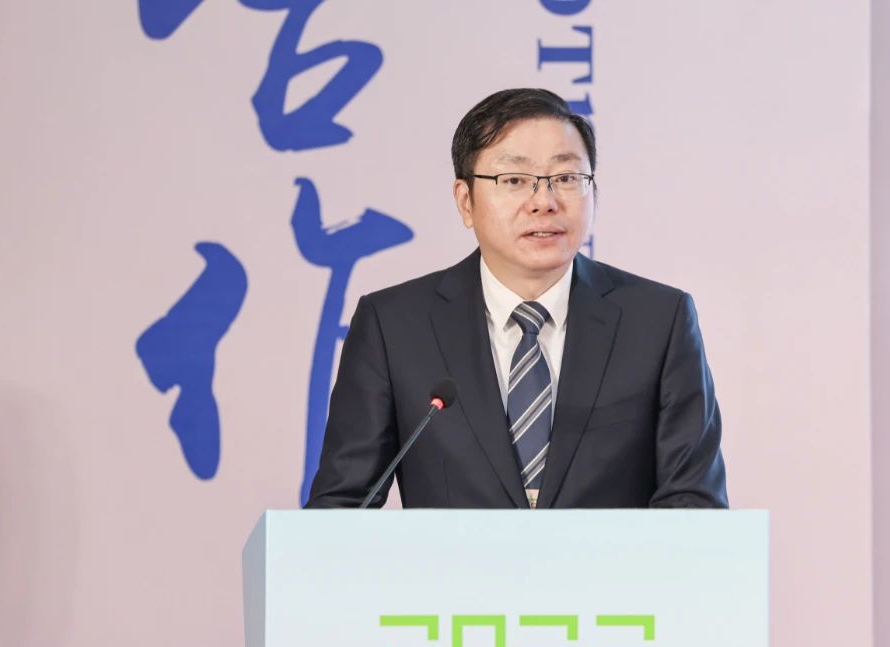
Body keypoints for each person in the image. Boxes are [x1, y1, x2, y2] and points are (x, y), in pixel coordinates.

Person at [305, 88, 726, 509]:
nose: (544, 202)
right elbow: (341, 508)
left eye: (567, 178)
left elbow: (694, 504)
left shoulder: (658, 321)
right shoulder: (394, 327)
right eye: (514, 180)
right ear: (466, 201)